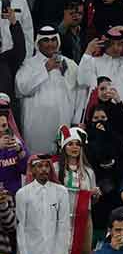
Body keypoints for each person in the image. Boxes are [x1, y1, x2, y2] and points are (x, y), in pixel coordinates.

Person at [78, 27, 123, 168]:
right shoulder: (94, 62)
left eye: (120, 44)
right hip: (101, 117)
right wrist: (87, 52)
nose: (116, 48)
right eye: (112, 44)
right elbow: (82, 80)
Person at [15, 27, 79, 157]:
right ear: (38, 43)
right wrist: (45, 69)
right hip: (37, 127)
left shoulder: (69, 64)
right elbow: (22, 88)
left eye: (53, 40)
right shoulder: (29, 64)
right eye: (46, 40)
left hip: (63, 124)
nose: (51, 44)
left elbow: (80, 90)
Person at [15, 154, 69, 254]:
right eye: (39, 166)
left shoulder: (61, 192)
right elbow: (20, 229)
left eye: (46, 166)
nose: (44, 169)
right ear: (32, 170)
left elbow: (64, 225)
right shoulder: (22, 193)